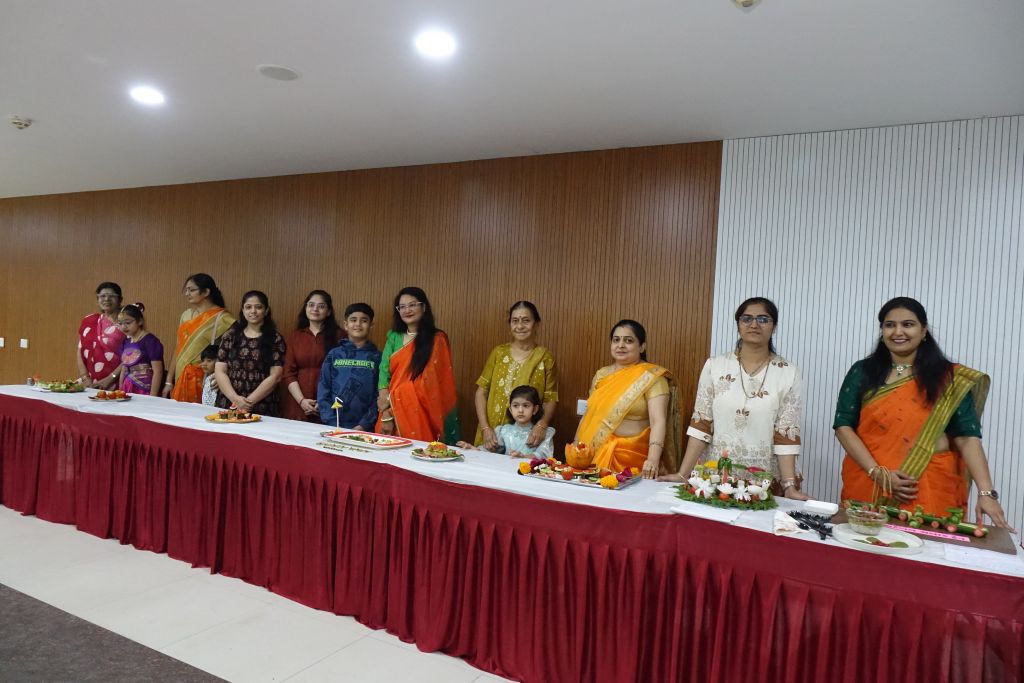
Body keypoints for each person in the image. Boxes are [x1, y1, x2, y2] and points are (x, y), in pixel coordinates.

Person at [834, 296, 1013, 530]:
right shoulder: (863, 371)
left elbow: (967, 436)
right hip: (870, 483)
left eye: (908, 324)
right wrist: (878, 473)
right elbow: (843, 426)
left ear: (924, 330)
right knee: (864, 543)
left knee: (927, 548)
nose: (898, 332)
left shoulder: (949, 378)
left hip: (927, 487)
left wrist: (986, 493)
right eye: (890, 325)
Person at [658, 298, 810, 500]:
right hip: (716, 478)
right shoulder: (715, 366)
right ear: (738, 324)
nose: (754, 324)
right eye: (747, 318)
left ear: (774, 326)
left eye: (763, 319)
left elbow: (786, 433)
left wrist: (789, 486)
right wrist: (682, 474)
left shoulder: (788, 373)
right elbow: (701, 424)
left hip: (762, 483)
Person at [570, 320, 682, 479]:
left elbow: (658, 421)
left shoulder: (652, 377)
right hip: (594, 453)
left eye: (628, 341)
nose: (620, 345)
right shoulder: (602, 375)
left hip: (632, 459)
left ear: (642, 347)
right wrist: (576, 445)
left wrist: (653, 459)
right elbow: (590, 414)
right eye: (616, 340)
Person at [375, 287, 460, 443]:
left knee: (417, 452)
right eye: (402, 307)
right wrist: (385, 409)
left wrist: (395, 401)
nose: (407, 310)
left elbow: (431, 382)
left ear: (424, 307)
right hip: (389, 409)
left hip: (421, 411)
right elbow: (384, 371)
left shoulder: (437, 339)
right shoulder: (394, 336)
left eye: (412, 305)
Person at [473, 301, 558, 450]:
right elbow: (481, 392)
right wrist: (485, 428)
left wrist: (542, 425)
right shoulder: (499, 353)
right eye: (515, 321)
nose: (520, 326)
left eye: (526, 320)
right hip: (492, 433)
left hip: (525, 437)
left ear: (536, 324)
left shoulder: (545, 357)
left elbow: (550, 399)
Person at [163, 274, 235, 402]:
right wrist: (169, 380)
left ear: (206, 292)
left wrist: (222, 376)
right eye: (186, 290)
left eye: (191, 290)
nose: (187, 293)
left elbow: (233, 353)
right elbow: (178, 349)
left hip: (207, 378)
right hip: (181, 375)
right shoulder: (186, 315)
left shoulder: (223, 319)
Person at [214, 290, 286, 417]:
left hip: (262, 404)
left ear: (266, 310)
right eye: (248, 307)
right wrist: (235, 399)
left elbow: (276, 376)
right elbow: (220, 371)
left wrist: (248, 403)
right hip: (229, 402)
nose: (253, 311)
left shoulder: (275, 339)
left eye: (258, 307)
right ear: (242, 310)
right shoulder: (231, 336)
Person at [283, 290, 345, 422]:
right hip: (298, 403)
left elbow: (342, 374)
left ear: (329, 311)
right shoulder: (295, 336)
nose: (315, 309)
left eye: (321, 306)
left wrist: (323, 401)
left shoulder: (339, 336)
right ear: (305, 308)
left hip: (329, 403)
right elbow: (288, 373)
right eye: (311, 305)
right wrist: (301, 401)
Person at [317, 303, 381, 429]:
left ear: (371, 325)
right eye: (353, 320)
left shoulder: (378, 357)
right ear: (346, 325)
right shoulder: (334, 355)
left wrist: (364, 425)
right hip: (334, 425)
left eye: (364, 321)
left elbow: (379, 395)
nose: (358, 324)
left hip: (365, 428)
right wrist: (332, 422)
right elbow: (323, 388)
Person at [459, 385, 555, 459]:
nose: (520, 410)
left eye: (526, 406)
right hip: (506, 474)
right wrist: (472, 449)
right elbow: (490, 450)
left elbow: (543, 455)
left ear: (535, 409)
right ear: (510, 409)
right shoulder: (504, 431)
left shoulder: (544, 433)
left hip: (530, 474)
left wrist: (523, 457)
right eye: (515, 406)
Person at [76, 282, 127, 389]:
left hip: (118, 382)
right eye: (102, 296)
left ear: (120, 300)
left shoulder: (127, 323)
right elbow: (80, 350)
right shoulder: (89, 320)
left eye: (112, 296)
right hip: (90, 383)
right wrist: (85, 377)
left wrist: (110, 378)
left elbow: (132, 355)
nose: (106, 299)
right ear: (97, 299)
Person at [115, 303, 164, 396]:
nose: (123, 327)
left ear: (140, 321)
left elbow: (158, 371)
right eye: (120, 323)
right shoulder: (125, 342)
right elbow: (124, 369)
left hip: (145, 390)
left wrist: (153, 397)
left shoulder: (150, 341)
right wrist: (120, 391)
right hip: (127, 387)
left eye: (128, 323)